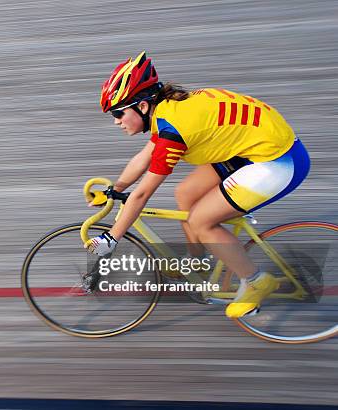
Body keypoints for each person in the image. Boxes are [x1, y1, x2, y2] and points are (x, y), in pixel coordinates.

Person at [86, 51, 310, 318]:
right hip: (252, 147)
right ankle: (198, 264)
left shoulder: (173, 132)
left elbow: (144, 193)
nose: (116, 121)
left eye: (118, 113)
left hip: (277, 162)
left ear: (142, 106)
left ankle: (256, 281)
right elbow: (143, 157)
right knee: (185, 193)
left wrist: (112, 237)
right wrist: (116, 190)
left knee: (200, 221)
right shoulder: (167, 108)